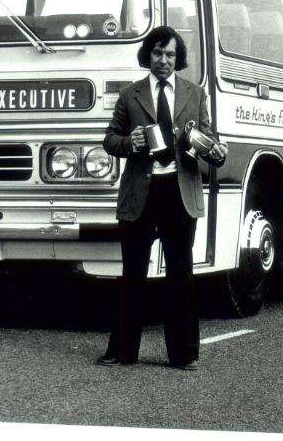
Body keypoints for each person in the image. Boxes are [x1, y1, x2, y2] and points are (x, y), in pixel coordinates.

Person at [96, 25, 227, 370]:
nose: (163, 60)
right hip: (142, 190)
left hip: (180, 191)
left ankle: (183, 355)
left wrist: (211, 148)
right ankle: (122, 351)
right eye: (157, 53)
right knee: (133, 272)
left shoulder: (195, 94)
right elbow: (109, 139)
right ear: (148, 56)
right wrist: (130, 143)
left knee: (180, 273)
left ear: (178, 58)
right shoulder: (130, 95)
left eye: (170, 54)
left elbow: (210, 139)